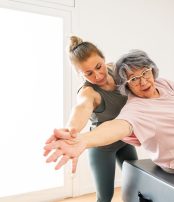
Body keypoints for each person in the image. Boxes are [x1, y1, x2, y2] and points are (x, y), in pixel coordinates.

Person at [44, 50, 174, 201]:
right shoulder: (133, 107)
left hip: (165, 153)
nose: (143, 82)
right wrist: (80, 137)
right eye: (134, 80)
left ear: (152, 70)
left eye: (145, 73)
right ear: (126, 86)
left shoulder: (160, 83)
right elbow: (114, 123)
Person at [44, 36, 138, 202]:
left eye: (98, 66)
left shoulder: (116, 70)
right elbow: (81, 108)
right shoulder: (88, 93)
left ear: (104, 59)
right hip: (101, 147)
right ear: (80, 74)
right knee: (105, 196)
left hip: (124, 141)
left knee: (138, 184)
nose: (98, 75)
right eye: (88, 73)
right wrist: (69, 131)